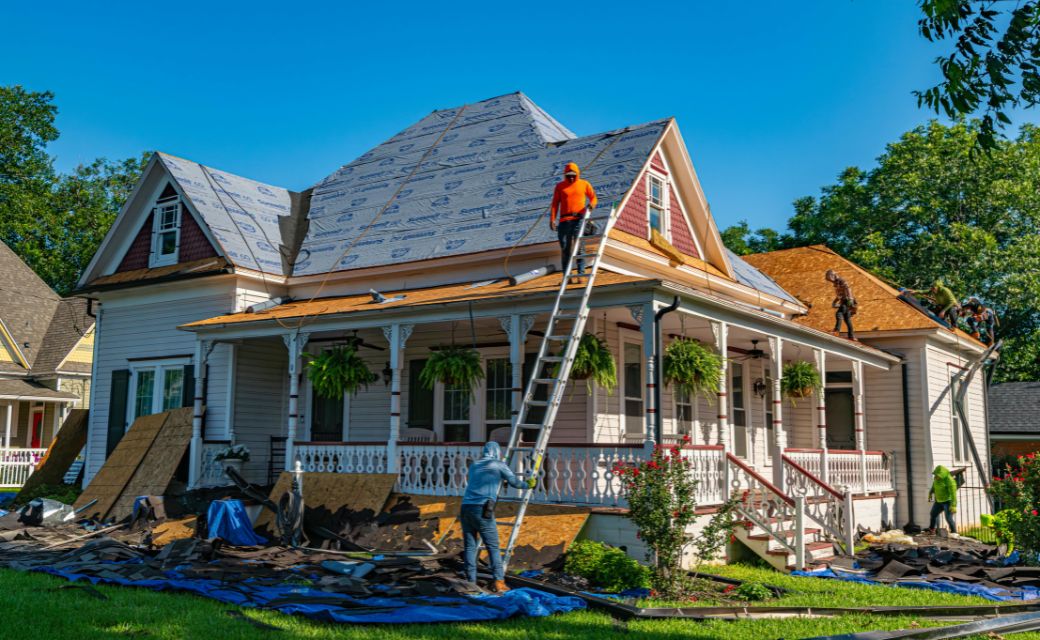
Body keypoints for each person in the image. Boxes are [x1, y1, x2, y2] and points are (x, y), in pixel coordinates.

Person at [459, 441, 532, 592]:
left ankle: (470, 581)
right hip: (482, 508)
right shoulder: (498, 465)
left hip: (466, 507)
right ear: (497, 452)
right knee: (492, 546)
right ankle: (499, 582)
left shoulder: (474, 465)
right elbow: (515, 483)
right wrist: (529, 484)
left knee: (470, 546)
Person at [549, 162, 597, 276]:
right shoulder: (560, 186)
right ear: (565, 175)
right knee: (565, 249)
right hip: (564, 221)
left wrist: (591, 205)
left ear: (577, 174)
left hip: (578, 220)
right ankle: (567, 275)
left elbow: (593, 197)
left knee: (579, 247)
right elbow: (555, 204)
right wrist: (552, 219)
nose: (571, 178)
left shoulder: (584, 184)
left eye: (573, 176)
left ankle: (580, 274)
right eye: (569, 176)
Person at [825, 269, 857, 340]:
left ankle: (836, 331)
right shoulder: (836, 283)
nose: (830, 281)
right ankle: (851, 336)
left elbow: (848, 288)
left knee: (839, 313)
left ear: (832, 275)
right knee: (847, 319)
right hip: (844, 301)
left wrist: (850, 299)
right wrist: (835, 301)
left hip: (846, 301)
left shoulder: (841, 281)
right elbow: (839, 295)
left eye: (830, 279)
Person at [927, 465, 958, 534]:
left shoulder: (950, 481)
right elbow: (934, 486)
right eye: (936, 475)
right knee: (933, 514)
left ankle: (954, 532)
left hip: (948, 501)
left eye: (938, 475)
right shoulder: (936, 479)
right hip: (938, 501)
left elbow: (953, 494)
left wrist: (953, 505)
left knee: (948, 518)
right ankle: (932, 529)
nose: (936, 477)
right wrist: (930, 493)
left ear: (942, 475)